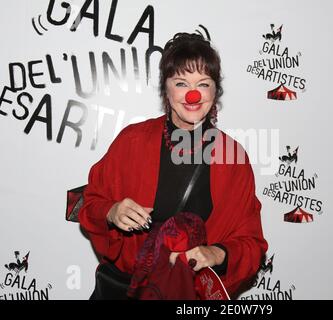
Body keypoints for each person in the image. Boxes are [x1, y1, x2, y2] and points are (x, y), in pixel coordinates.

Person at [78, 31, 268, 299]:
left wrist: (217, 253)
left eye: (203, 84)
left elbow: (251, 244)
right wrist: (111, 212)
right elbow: (90, 203)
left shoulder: (232, 157)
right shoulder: (132, 141)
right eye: (181, 83)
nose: (193, 95)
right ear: (165, 89)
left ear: (216, 90)